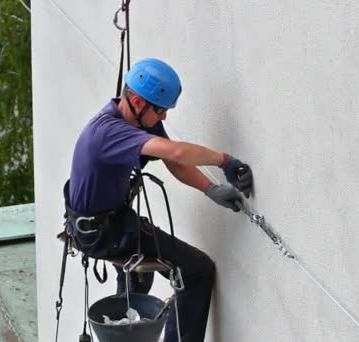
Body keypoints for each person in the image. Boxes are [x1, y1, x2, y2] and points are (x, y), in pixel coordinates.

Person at [64, 57, 253, 342]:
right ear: (138, 102)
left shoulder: (134, 117)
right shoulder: (109, 133)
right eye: (161, 110)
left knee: (138, 280)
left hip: (105, 224)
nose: (164, 117)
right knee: (197, 271)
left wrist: (209, 189)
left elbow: (171, 159)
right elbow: (176, 152)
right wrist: (223, 160)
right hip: (104, 233)